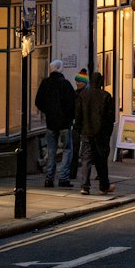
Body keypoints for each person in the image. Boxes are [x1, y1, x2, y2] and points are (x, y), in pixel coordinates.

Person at [35, 59, 75, 187]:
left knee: (51, 151)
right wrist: (68, 117)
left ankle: (49, 178)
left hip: (50, 123)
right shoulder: (66, 84)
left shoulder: (45, 83)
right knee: (67, 150)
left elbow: (38, 102)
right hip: (64, 124)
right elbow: (72, 104)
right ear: (60, 68)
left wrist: (48, 112)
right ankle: (63, 178)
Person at [75, 70, 116, 195]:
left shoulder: (83, 95)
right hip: (101, 134)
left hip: (86, 132)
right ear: (101, 82)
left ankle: (84, 187)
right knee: (101, 160)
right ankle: (104, 186)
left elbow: (78, 115)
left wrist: (79, 128)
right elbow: (110, 118)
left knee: (86, 159)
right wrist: (108, 134)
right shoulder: (106, 96)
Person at [67, 68, 89, 180]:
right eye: (76, 81)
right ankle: (72, 173)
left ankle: (85, 177)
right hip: (76, 126)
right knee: (74, 150)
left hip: (85, 126)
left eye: (79, 81)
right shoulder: (75, 94)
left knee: (85, 152)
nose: (77, 83)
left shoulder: (86, 95)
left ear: (85, 82)